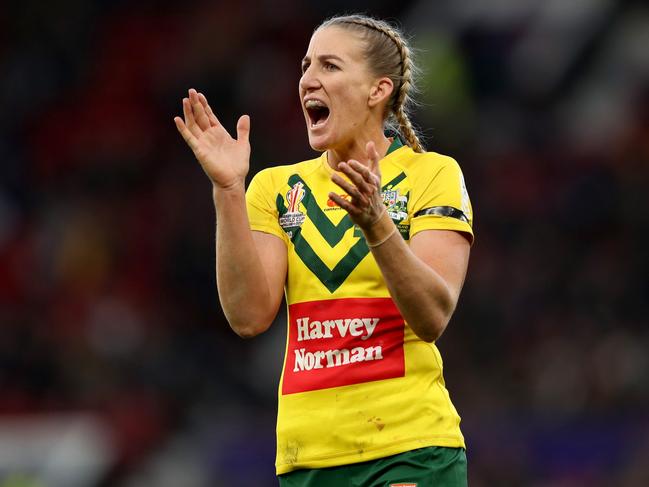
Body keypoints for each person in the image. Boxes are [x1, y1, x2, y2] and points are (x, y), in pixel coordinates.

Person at [175, 14, 473, 487]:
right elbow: (249, 316)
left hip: (408, 450)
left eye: (330, 66)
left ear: (378, 90)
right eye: (306, 65)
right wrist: (229, 189)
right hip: (307, 458)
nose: (308, 79)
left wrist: (377, 223)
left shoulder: (431, 175)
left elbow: (432, 315)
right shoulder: (276, 188)